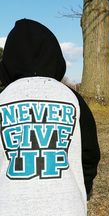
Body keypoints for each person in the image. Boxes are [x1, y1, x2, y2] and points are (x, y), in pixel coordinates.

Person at [0, 18, 100, 216]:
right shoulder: (72, 99)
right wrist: (84, 189)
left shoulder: (2, 99)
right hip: (67, 207)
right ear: (56, 58)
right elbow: (90, 154)